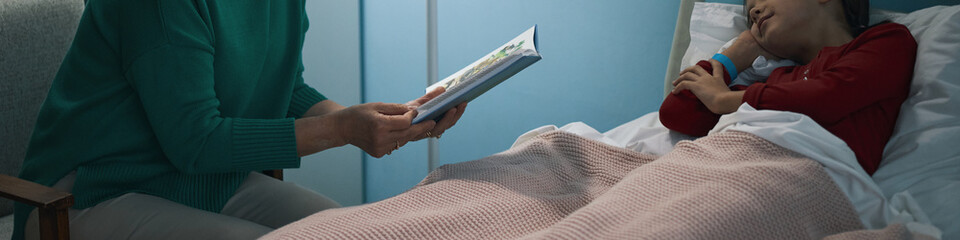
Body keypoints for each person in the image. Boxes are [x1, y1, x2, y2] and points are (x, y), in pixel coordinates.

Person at [13, 0, 466, 239]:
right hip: (90, 193)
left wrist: (379, 122)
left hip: (204, 179)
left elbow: (288, 88)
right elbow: (197, 141)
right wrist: (343, 129)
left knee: (354, 233)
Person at [659, 0, 917, 175]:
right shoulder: (777, 79)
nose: (754, 11)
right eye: (749, 11)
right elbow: (676, 114)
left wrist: (725, 100)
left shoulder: (886, 42)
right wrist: (738, 53)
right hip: (728, 168)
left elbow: (828, 95)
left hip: (810, 181)